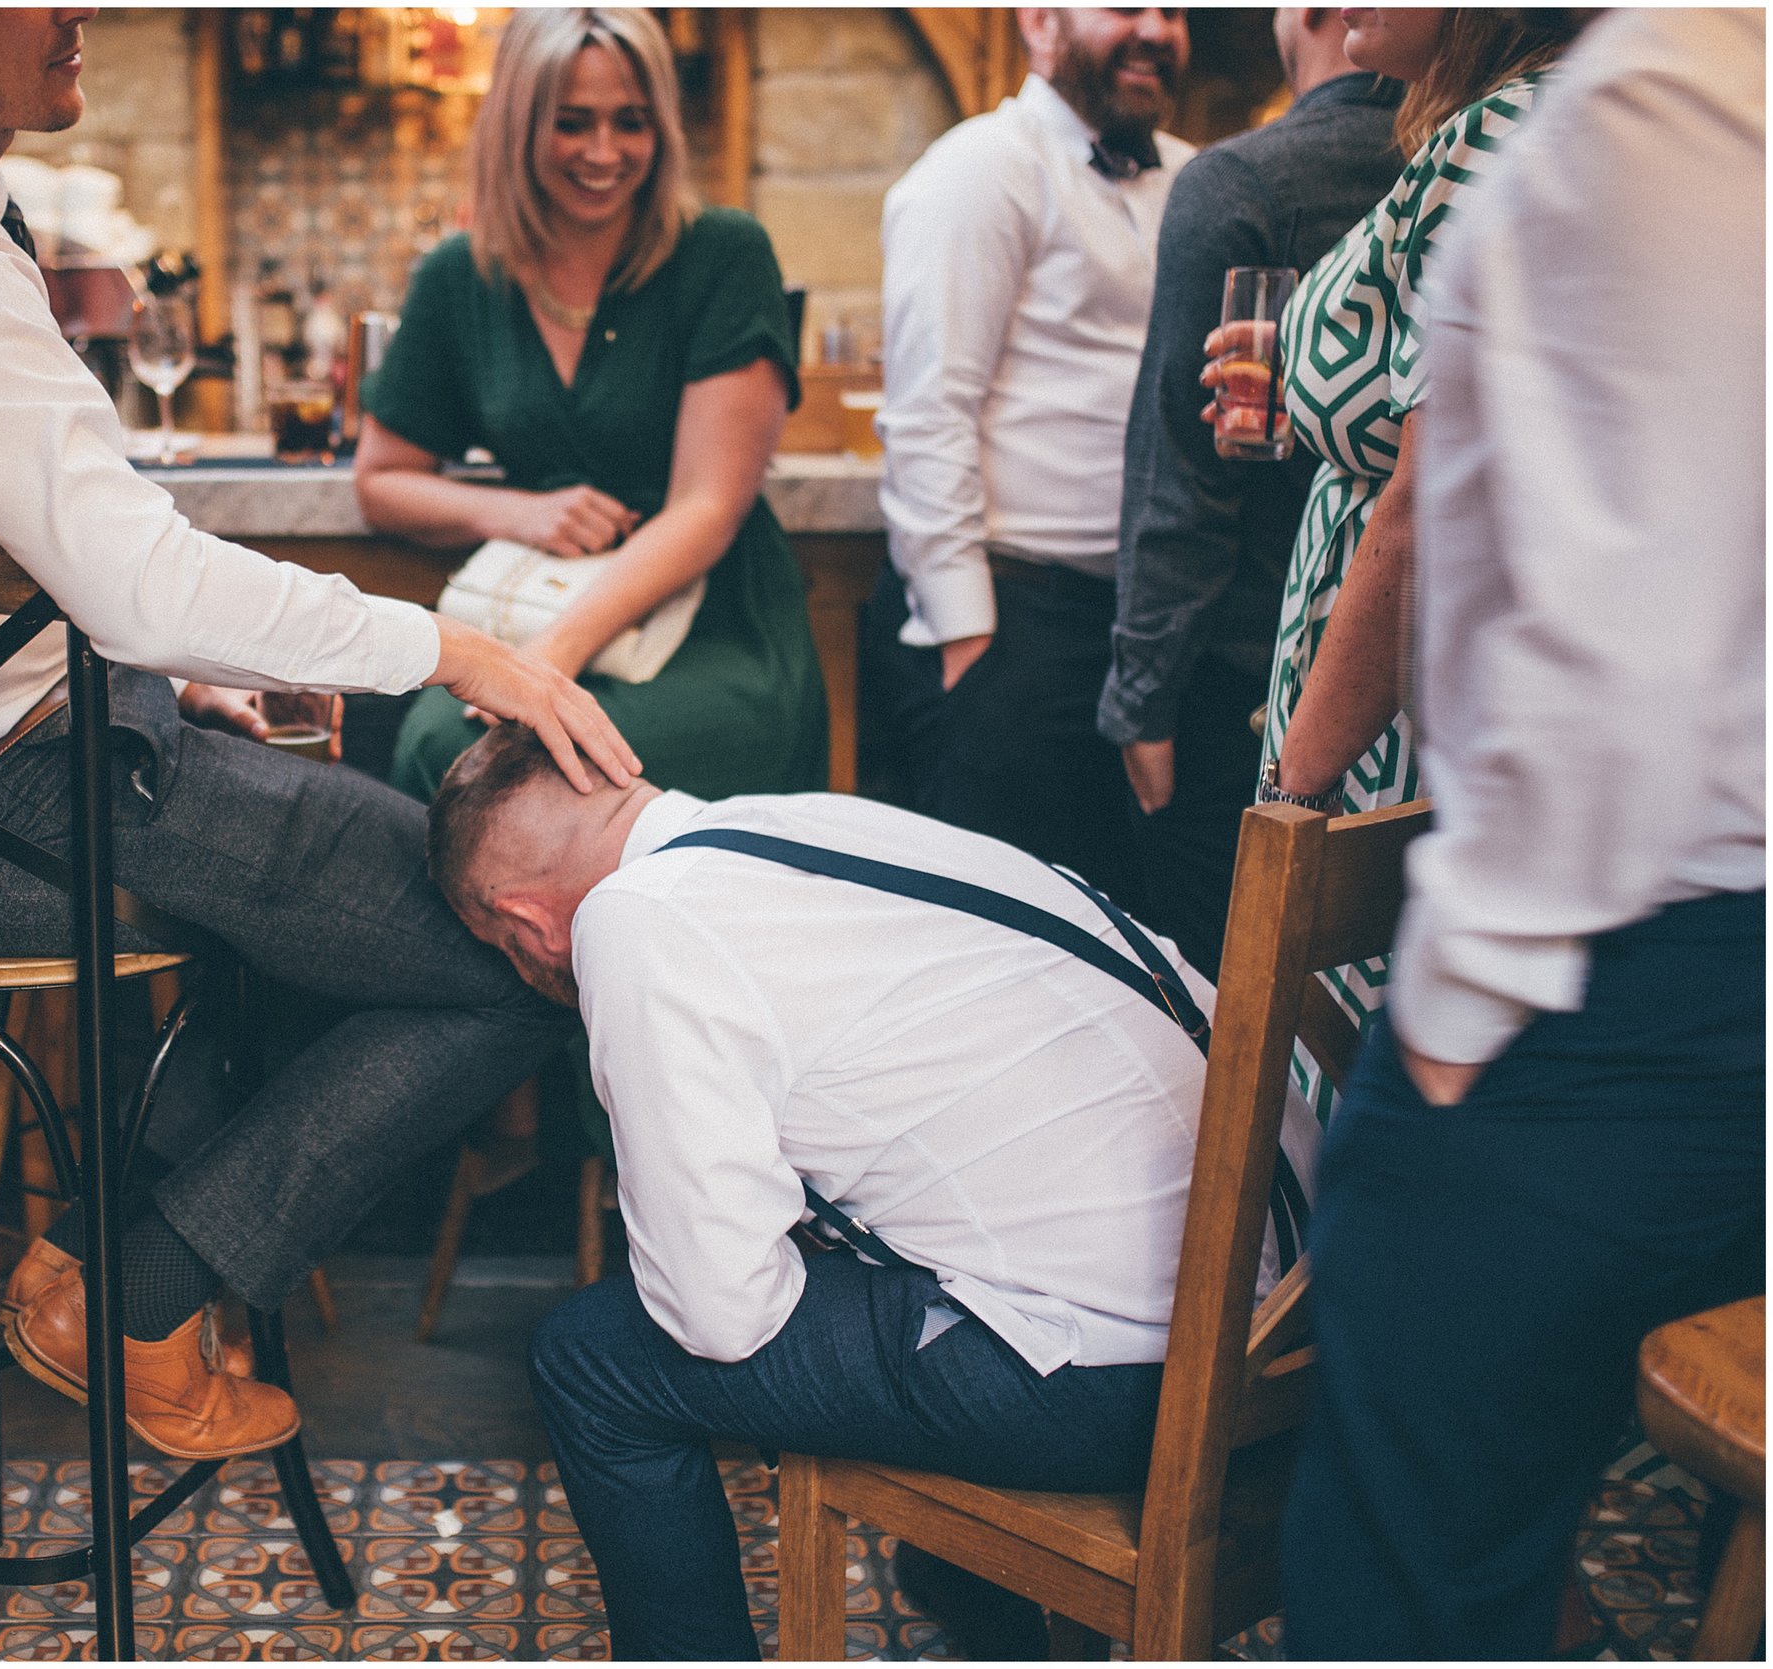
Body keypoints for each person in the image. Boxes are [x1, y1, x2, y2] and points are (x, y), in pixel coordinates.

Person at [0, 7, 638, 1458]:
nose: (76, 8)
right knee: (526, 941)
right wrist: (458, 654)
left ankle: (120, 1265)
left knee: (356, 906)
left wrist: (165, 682)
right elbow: (132, 579)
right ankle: (131, 1290)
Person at [427, 723, 1319, 1660]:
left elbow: (717, 1312)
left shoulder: (635, 918)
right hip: (1302, 1314)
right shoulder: (807, 821)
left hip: (1145, 1380)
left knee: (591, 1360)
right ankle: (979, 1603)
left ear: (527, 924)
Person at [1283, 9, 1766, 1657]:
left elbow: (1629, 619)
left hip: (1630, 966)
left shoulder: (1661, 102)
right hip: (1684, 945)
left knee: (1400, 1577)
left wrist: (1475, 979)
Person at [1230, 7, 1582, 1111]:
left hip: (1397, 730)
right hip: (1410, 704)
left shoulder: (1496, 138)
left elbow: (1432, 499)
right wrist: (1298, 374)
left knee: (1364, 1087)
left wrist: (1294, 783)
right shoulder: (1514, 121)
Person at [355, 6, 825, 803]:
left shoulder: (724, 254)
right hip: (543, 608)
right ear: (516, 124)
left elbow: (708, 505)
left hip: (713, 635)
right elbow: (383, 480)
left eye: (630, 122)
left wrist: (547, 661)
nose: (604, 153)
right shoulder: (458, 277)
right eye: (572, 124)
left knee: (490, 772)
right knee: (438, 744)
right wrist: (522, 513)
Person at [1096, 11, 1403, 979]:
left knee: (1224, 1008)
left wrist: (1139, 699)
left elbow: (1181, 482)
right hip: (1425, 680)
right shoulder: (1482, 157)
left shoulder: (1239, 181)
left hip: (1252, 681)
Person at [867, 7, 1193, 912]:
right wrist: (969, 638)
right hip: (1015, 626)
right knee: (997, 933)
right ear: (1041, 22)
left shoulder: (1197, 178)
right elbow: (930, 409)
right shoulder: (981, 169)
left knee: (1128, 932)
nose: (1157, 29)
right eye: (1127, 6)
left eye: (1173, 11)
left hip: (1139, 627)